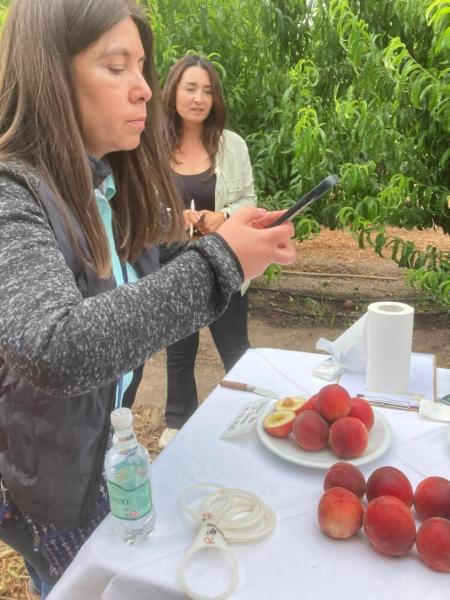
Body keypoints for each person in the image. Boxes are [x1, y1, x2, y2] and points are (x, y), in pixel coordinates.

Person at [0, 0, 295, 597]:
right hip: (38, 480)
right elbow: (57, 347)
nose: (142, 89)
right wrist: (222, 261)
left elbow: (142, 285)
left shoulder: (103, 188)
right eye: (117, 67)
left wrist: (229, 243)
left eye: (141, 67)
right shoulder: (12, 192)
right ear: (50, 74)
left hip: (95, 458)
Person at [159, 55, 257, 448]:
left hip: (223, 262)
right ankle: (178, 421)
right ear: (174, 92)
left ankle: (251, 414)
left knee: (234, 345)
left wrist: (224, 216)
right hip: (174, 265)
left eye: (207, 90)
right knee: (180, 350)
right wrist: (172, 217)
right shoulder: (153, 145)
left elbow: (249, 199)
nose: (199, 98)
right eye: (190, 88)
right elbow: (139, 204)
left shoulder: (232, 145)